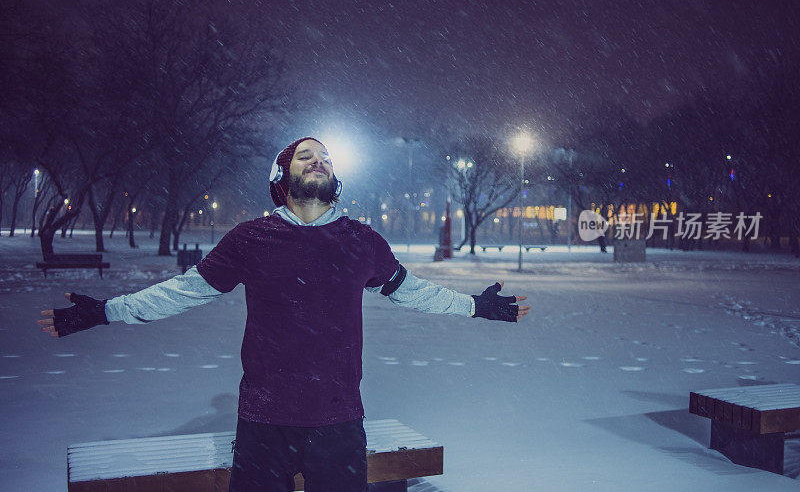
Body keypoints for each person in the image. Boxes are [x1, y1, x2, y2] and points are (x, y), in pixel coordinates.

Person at [38, 137, 530, 492]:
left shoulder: (361, 241)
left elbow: (412, 291)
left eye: (326, 158)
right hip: (264, 423)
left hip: (338, 423)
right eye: (306, 155)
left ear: (335, 179)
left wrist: (475, 306)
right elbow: (183, 292)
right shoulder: (252, 239)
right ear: (282, 178)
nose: (319, 160)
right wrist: (105, 311)